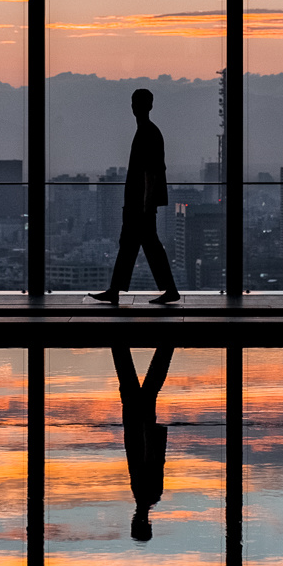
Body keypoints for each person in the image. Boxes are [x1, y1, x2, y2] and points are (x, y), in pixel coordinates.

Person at [90, 88, 181, 304]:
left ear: (146, 106)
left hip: (140, 205)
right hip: (139, 204)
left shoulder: (147, 133)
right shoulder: (147, 131)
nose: (134, 107)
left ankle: (164, 290)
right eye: (133, 103)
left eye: (137, 103)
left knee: (141, 246)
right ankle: (117, 290)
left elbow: (151, 174)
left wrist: (146, 205)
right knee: (135, 245)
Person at [111, 345, 174, 541]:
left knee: (148, 386)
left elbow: (155, 460)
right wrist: (147, 429)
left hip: (139, 428)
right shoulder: (146, 495)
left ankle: (166, 347)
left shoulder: (148, 496)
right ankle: (120, 345)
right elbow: (150, 459)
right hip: (137, 427)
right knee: (136, 386)